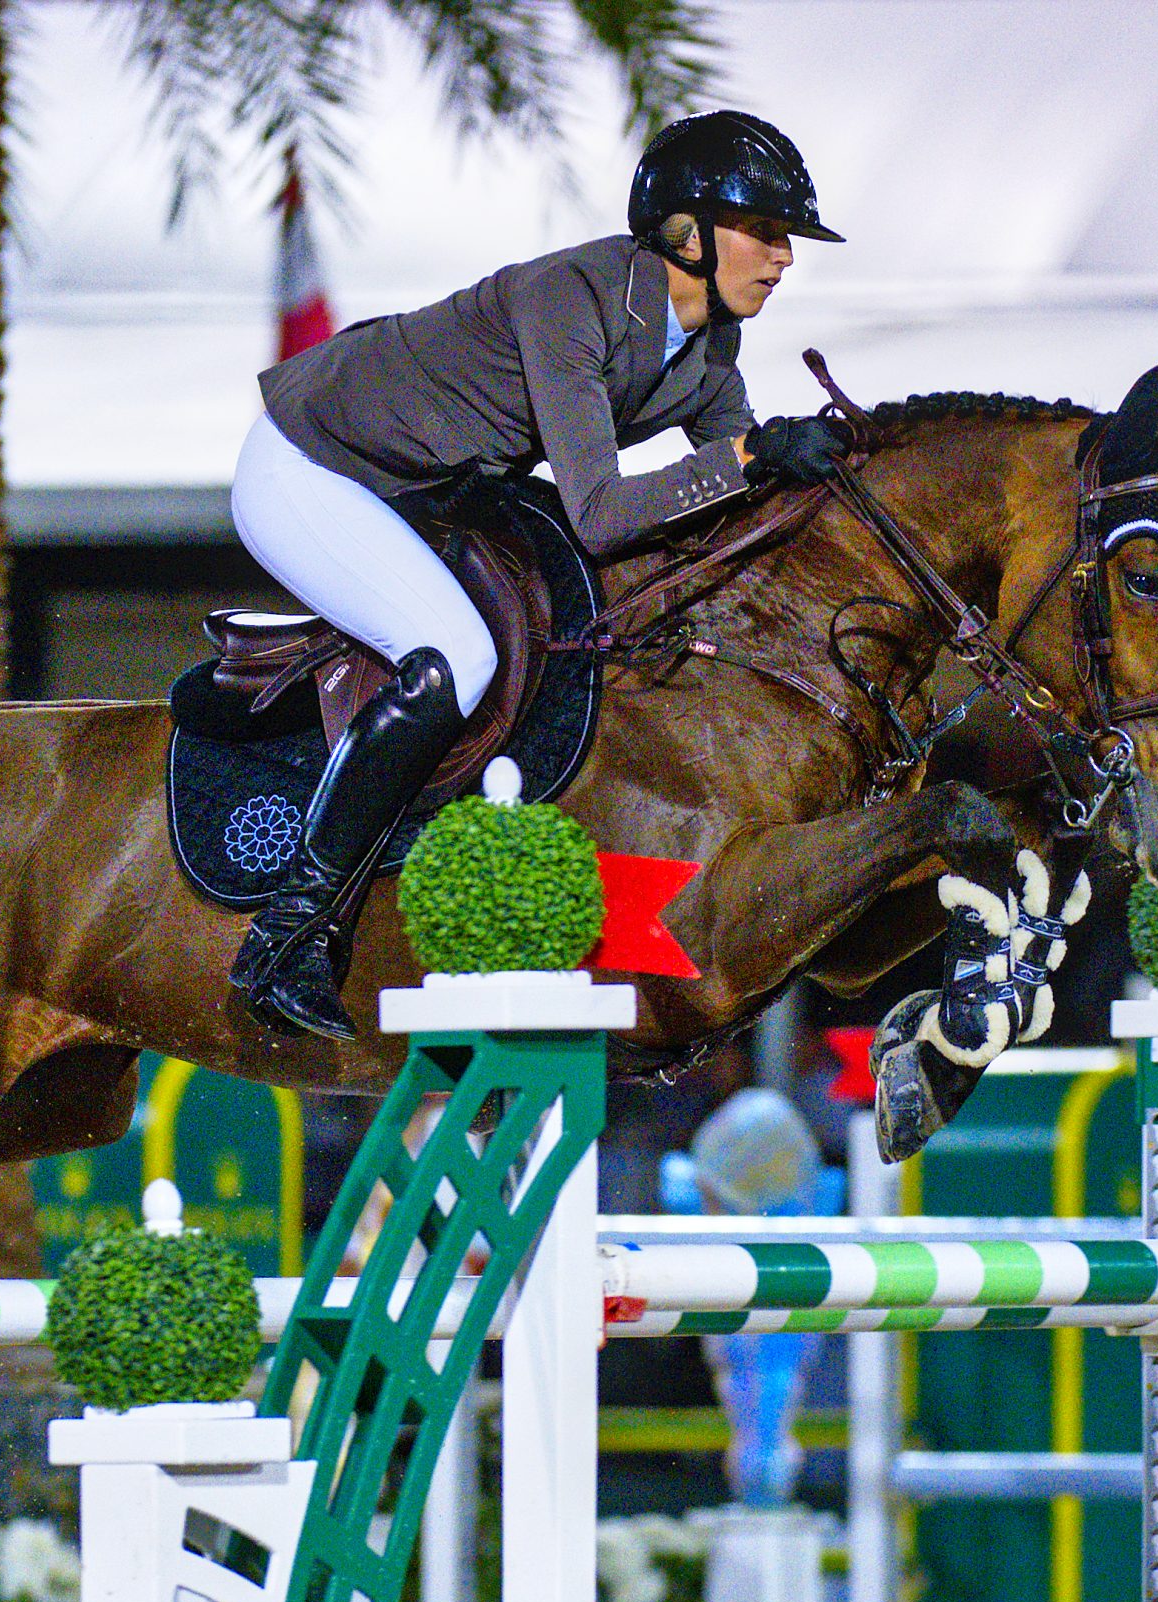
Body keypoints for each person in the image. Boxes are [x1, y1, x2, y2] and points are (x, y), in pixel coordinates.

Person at [227, 110, 847, 1040]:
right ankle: (287, 933)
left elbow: (738, 497)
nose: (784, 257)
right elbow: (599, 513)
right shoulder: (574, 297)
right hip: (310, 466)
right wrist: (757, 454)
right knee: (457, 657)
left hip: (422, 491)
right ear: (686, 231)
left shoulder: (712, 351)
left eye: (786, 237)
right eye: (765, 232)